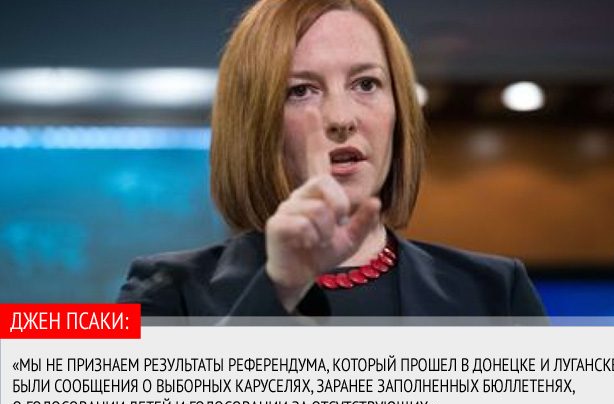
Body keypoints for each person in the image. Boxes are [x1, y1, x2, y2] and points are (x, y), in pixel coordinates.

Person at [117, 0, 546, 317]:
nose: (341, 118)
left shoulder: (495, 292)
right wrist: (276, 290)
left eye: (366, 84)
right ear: (255, 124)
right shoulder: (161, 289)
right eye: (301, 91)